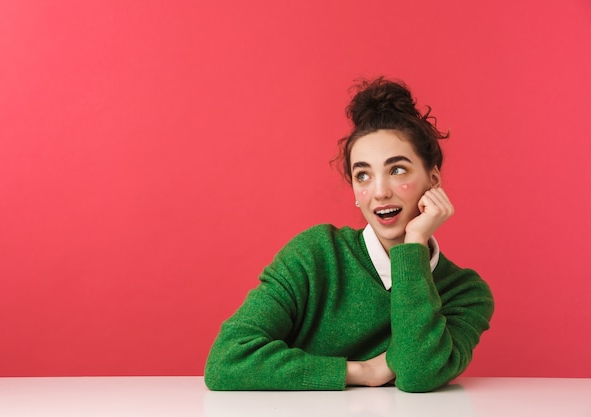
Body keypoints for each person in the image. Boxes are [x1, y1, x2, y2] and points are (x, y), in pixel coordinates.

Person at [204, 76, 494, 392]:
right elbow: (225, 362)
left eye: (397, 170)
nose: (380, 192)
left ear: (433, 178)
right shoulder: (314, 255)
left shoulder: (466, 293)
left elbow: (417, 374)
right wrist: (362, 371)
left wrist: (413, 246)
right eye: (363, 175)